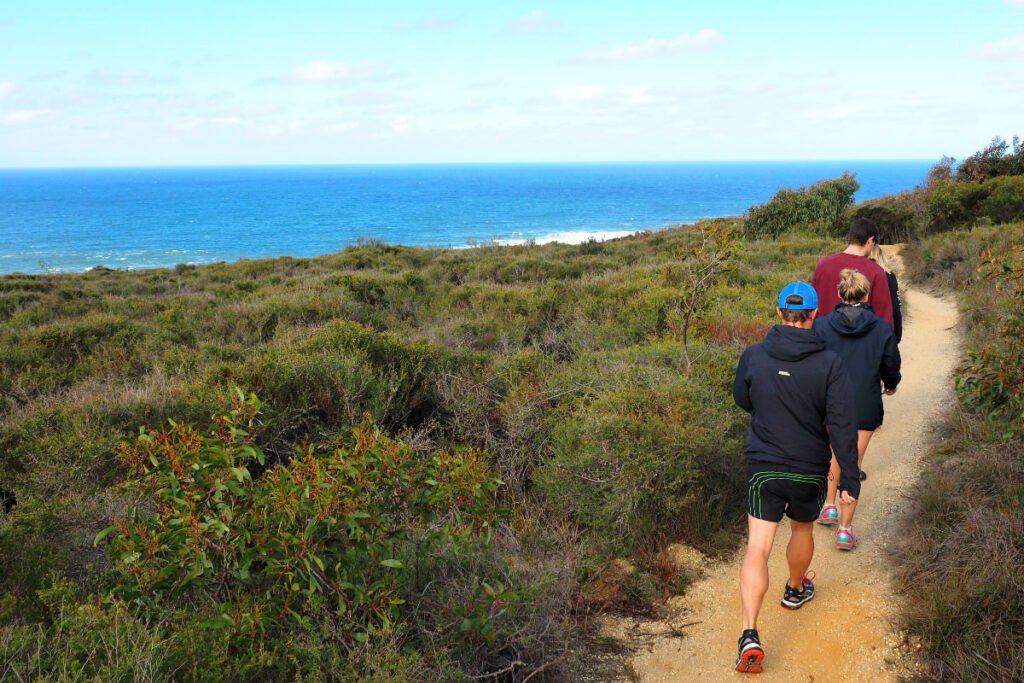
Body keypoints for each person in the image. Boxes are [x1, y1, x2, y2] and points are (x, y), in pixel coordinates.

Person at [732, 281, 861, 674]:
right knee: (802, 530)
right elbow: (842, 425)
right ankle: (795, 589)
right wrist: (849, 480)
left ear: (779, 312)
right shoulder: (830, 364)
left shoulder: (754, 355)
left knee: (758, 548)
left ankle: (749, 634)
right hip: (809, 468)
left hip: (764, 465)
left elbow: (742, 398)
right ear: (815, 314)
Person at [813, 269, 901, 550]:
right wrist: (891, 384)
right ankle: (845, 530)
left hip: (830, 401)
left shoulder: (821, 326)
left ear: (838, 294)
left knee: (833, 455)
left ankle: (828, 506)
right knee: (854, 462)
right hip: (864, 402)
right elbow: (891, 364)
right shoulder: (882, 328)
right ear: (867, 294)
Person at [812, 218, 894, 330]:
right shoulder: (876, 271)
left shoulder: (823, 265)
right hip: (861, 339)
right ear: (870, 240)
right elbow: (884, 320)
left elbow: (812, 308)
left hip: (824, 336)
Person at [869, 243, 903, 344]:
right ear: (881, 257)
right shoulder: (889, 276)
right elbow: (896, 306)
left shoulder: (859, 276)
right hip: (884, 329)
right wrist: (897, 333)